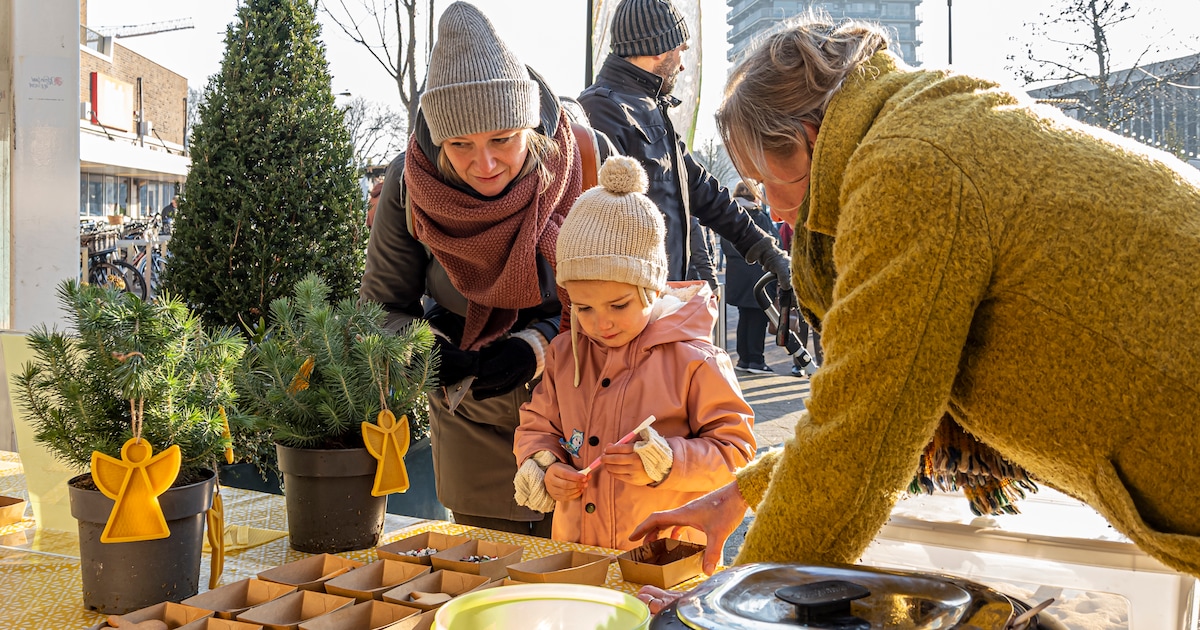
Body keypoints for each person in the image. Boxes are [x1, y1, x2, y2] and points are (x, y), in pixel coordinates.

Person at [630, 13, 1200, 609]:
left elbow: (862, 432)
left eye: (765, 179)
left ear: (808, 137)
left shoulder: (906, 166)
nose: (771, 208)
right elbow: (885, 406)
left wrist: (724, 609)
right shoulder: (923, 123)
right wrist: (738, 494)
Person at [359, 2, 611, 536]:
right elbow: (381, 309)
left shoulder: (581, 165)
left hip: (580, 428)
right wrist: (424, 348)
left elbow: (624, 297)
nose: (486, 164)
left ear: (530, 124)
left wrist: (536, 346)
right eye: (461, 146)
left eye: (503, 139)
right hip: (472, 428)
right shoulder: (410, 184)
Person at [512, 156, 757, 550]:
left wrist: (670, 461)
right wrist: (545, 464)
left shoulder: (696, 360)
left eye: (619, 305)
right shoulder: (565, 354)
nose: (600, 323)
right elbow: (538, 426)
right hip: (579, 554)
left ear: (653, 290)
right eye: (583, 308)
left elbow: (738, 453)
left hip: (664, 562)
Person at [579, 0, 791, 290]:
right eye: (681, 50)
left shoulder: (649, 107)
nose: (681, 63)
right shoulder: (602, 109)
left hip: (662, 296)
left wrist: (765, 249)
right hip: (628, 304)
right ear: (659, 48)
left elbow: (703, 189)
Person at [722, 182, 780, 374]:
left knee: (744, 317)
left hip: (738, 277)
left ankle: (744, 358)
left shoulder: (730, 216)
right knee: (758, 318)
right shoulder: (758, 217)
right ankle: (756, 360)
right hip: (758, 276)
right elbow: (772, 242)